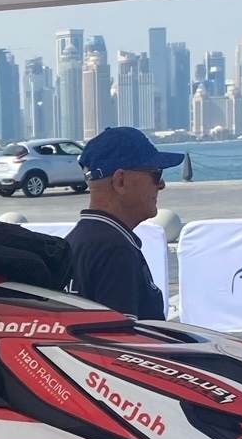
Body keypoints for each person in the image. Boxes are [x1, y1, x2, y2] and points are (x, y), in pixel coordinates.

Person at [64, 125, 186, 319]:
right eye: (156, 174)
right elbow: (123, 345)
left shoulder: (75, 242)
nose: (161, 185)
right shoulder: (114, 251)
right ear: (120, 181)